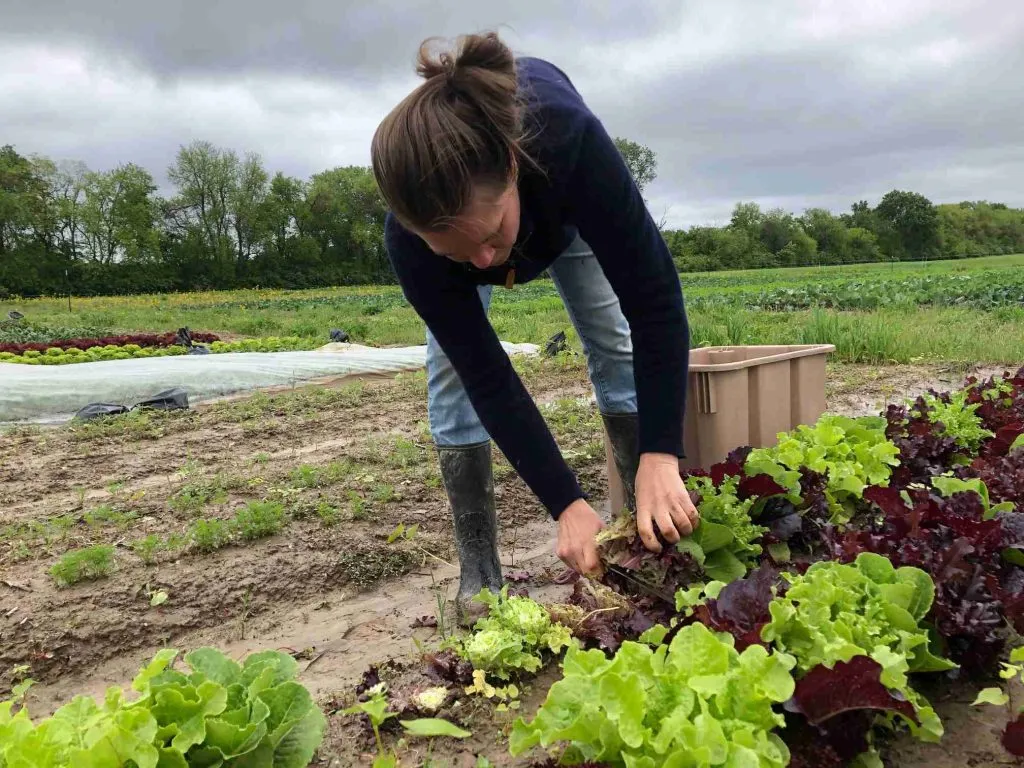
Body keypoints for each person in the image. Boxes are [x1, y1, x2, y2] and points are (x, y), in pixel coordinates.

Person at [370, 31, 699, 612]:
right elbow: (489, 375)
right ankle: (478, 570)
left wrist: (662, 452)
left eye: (492, 236)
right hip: (483, 222)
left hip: (560, 216)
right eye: (457, 253)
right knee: (451, 373)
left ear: (512, 165)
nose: (485, 265)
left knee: (612, 340)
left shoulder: (570, 141)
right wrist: (565, 502)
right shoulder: (413, 243)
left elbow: (653, 302)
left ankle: (641, 522)